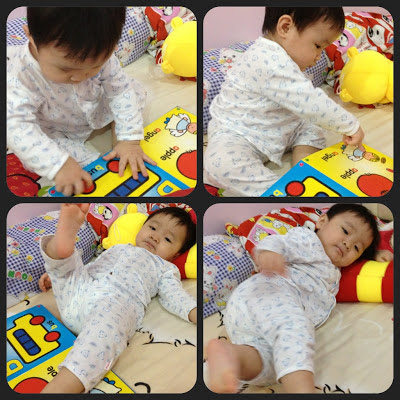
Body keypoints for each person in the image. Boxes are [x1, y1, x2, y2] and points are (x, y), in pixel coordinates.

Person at [206, 204, 391, 393]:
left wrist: (375, 254)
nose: (348, 244)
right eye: (345, 231)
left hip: (258, 324)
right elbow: (281, 242)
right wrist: (269, 253)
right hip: (270, 293)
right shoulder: (308, 240)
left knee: (274, 363)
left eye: (357, 247)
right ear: (322, 221)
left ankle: (232, 357)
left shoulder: (334, 268)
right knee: (295, 330)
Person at [204, 7, 366, 197]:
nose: (319, 56)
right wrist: (350, 125)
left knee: (313, 126)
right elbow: (310, 102)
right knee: (220, 164)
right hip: (240, 133)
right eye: (317, 46)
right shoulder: (269, 60)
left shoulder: (287, 59)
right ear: (285, 27)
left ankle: (305, 171)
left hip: (282, 127)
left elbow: (306, 106)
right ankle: (280, 190)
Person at [38, 203, 197, 393]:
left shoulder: (165, 268)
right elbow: (94, 268)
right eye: (153, 228)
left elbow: (174, 295)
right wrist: (60, 275)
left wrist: (193, 311)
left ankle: (58, 388)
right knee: (68, 267)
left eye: (167, 239)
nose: (155, 237)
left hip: (116, 304)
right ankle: (61, 249)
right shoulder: (119, 248)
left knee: (101, 343)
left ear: (175, 254)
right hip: (82, 292)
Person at [7, 7, 156, 196]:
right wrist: (59, 164)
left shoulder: (100, 49)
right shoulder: (18, 76)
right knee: (41, 157)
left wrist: (129, 140)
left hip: (95, 107)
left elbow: (120, 90)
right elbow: (16, 126)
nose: (80, 78)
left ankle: (120, 141)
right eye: (65, 69)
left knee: (133, 91)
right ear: (31, 36)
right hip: (54, 129)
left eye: (95, 66)